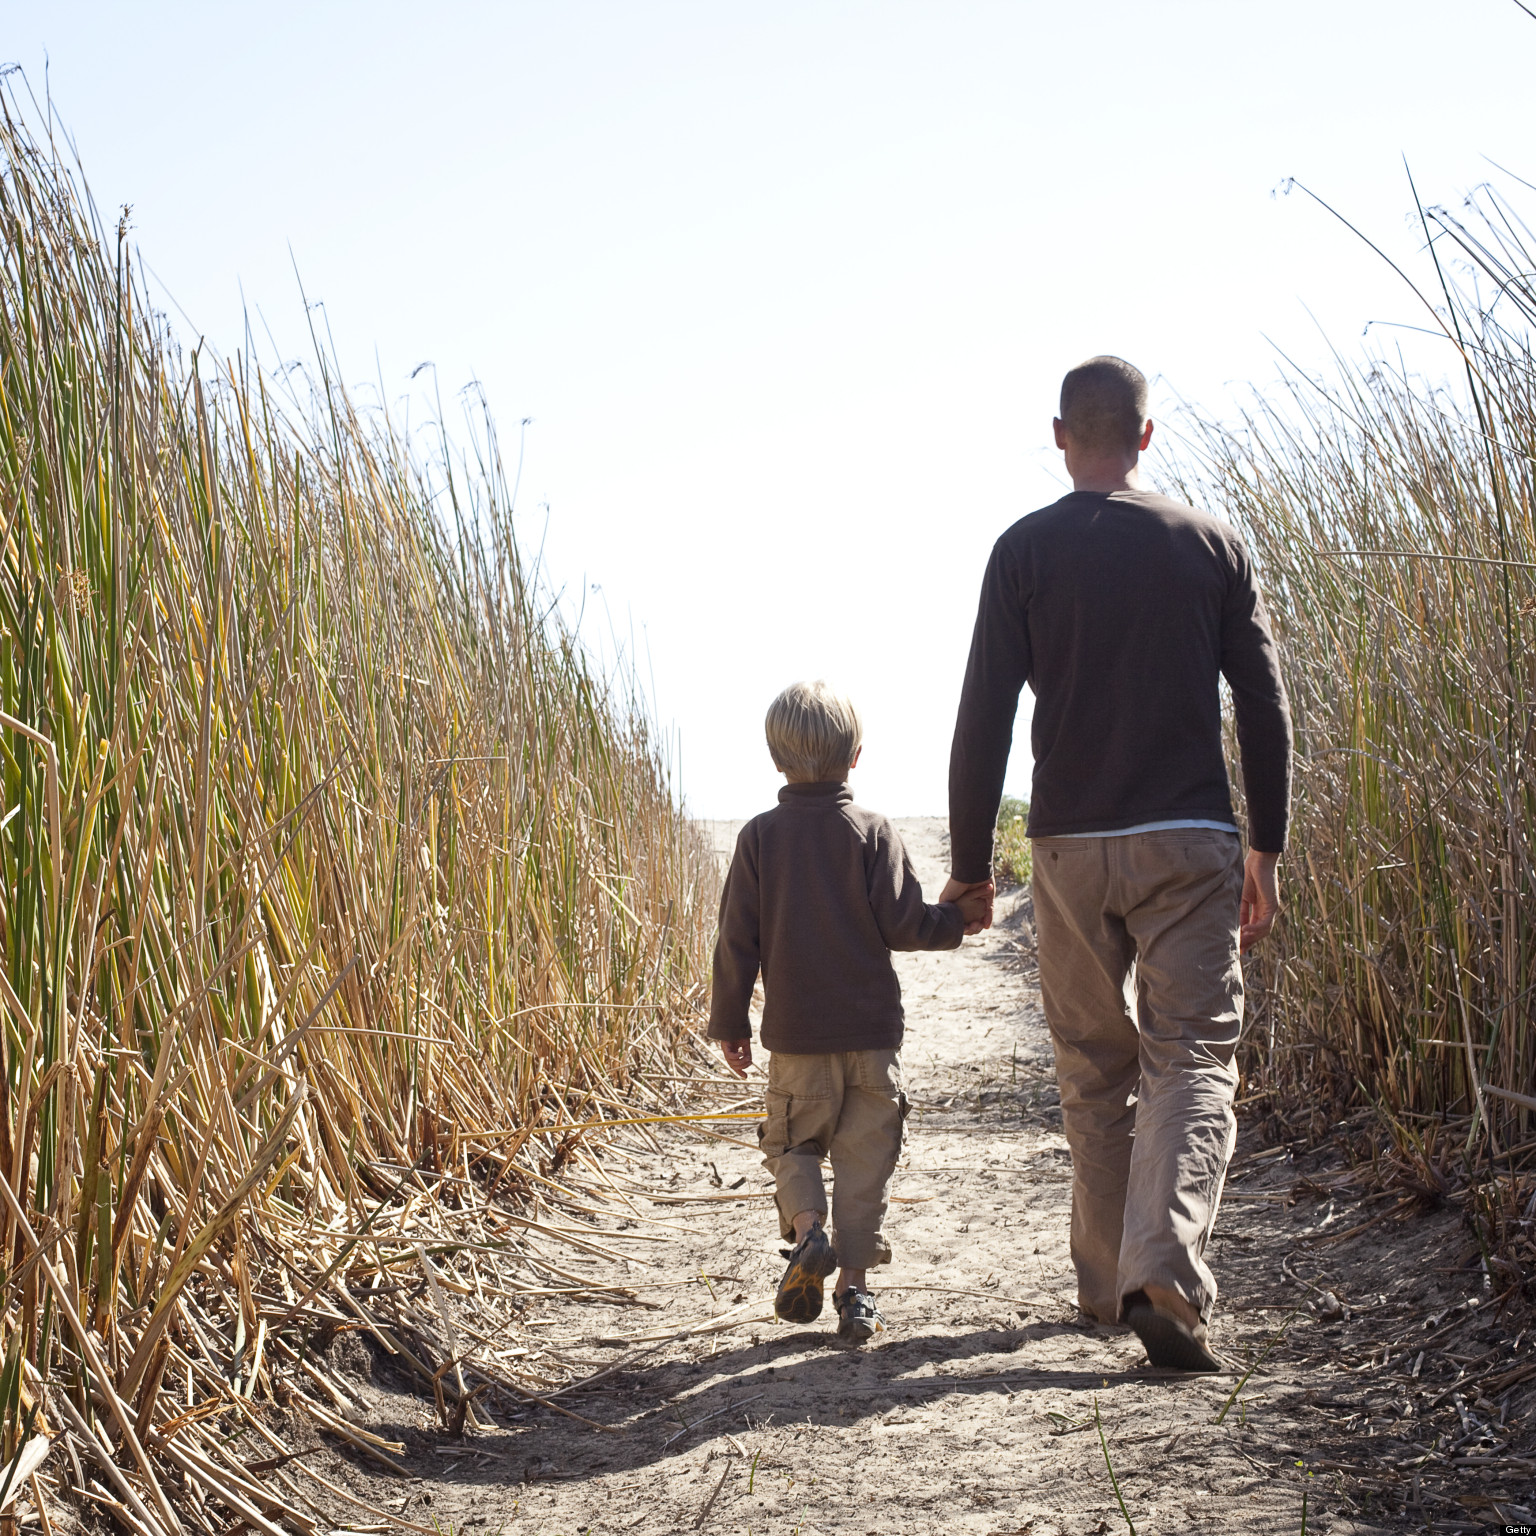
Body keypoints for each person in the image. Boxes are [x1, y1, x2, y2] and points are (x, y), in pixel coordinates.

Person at [941, 356, 1292, 1372]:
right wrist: (1265, 843)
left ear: (1062, 436)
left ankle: (1103, 1289)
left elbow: (984, 716)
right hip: (1191, 842)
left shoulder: (1023, 552)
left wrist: (973, 871)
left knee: (1095, 1068)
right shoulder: (1211, 545)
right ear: (1145, 437)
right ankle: (1162, 1279)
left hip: (1067, 846)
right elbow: (1263, 706)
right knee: (1191, 1057)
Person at [709, 680, 989, 1343]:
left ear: (775, 759)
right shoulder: (872, 832)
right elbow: (903, 922)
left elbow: (735, 940)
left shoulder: (758, 839)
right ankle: (855, 1293)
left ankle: (809, 1234)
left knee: (792, 1144)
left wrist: (730, 1023)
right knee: (866, 1164)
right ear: (856, 756)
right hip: (872, 1040)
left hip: (797, 1041)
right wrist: (956, 921)